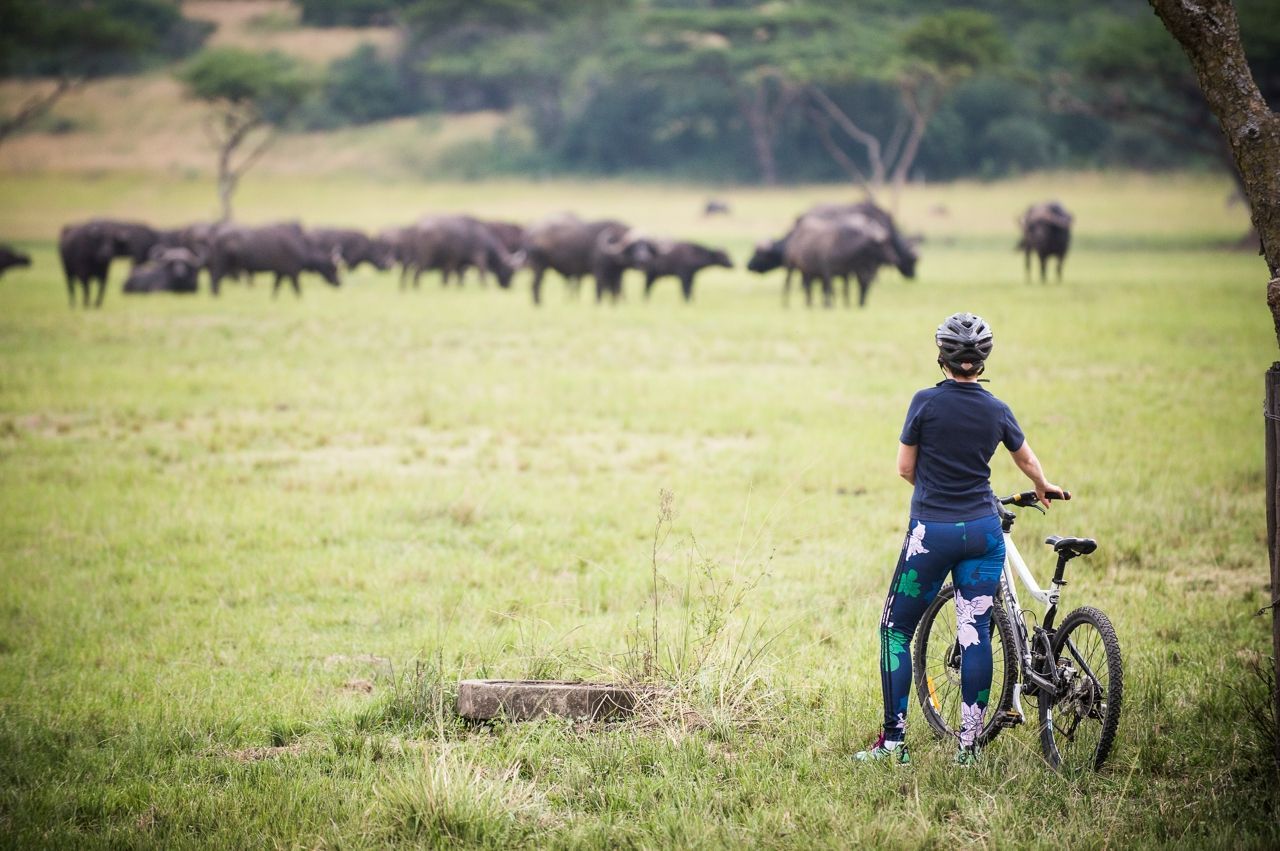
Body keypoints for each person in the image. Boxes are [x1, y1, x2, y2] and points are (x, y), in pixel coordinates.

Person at [855, 312, 1064, 766]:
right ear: (983, 360)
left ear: (942, 357)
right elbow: (1027, 461)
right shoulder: (997, 409)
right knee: (974, 634)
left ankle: (894, 743)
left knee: (895, 630)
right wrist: (1043, 485)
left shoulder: (924, 403)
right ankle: (968, 748)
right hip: (983, 532)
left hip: (932, 533)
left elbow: (904, 468)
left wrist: (935, 495)